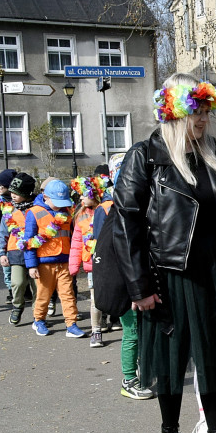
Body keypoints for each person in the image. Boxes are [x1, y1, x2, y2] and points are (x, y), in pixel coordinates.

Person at [112, 73, 216, 433]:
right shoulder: (146, 157)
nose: (203, 118)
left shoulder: (215, 155)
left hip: (213, 275)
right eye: (195, 110)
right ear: (172, 112)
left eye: (206, 109)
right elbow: (125, 226)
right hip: (168, 279)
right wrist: (139, 287)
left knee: (209, 365)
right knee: (170, 369)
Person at [95, 154, 154, 400]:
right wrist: (133, 290)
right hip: (127, 288)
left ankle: (140, 370)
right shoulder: (120, 215)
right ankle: (129, 378)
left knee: (140, 332)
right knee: (132, 333)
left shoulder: (123, 211)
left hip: (133, 285)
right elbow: (117, 257)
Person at [23, 179, 85, 338]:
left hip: (64, 260)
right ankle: (39, 320)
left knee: (68, 294)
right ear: (45, 197)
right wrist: (31, 265)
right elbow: (28, 242)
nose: (59, 205)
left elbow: (73, 237)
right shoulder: (34, 212)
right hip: (44, 263)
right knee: (43, 294)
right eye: (56, 202)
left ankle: (71, 324)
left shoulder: (68, 212)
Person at [0, 172, 38, 325]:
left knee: (37, 285)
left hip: (35, 252)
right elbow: (2, 233)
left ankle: (37, 312)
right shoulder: (9, 211)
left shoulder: (36, 209)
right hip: (15, 252)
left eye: (17, 193)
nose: (13, 195)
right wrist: (2, 253)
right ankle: (17, 306)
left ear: (26, 194)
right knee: (18, 282)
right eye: (12, 192)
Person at [68, 176, 104, 347]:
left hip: (108, 263)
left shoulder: (106, 211)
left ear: (94, 194)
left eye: (83, 194)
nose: (80, 198)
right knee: (95, 299)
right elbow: (76, 242)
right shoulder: (80, 216)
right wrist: (73, 265)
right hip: (91, 265)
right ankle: (96, 331)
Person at [0, 169, 16, 300]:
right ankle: (10, 289)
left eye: (1, 185)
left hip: (16, 236)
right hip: (2, 236)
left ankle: (23, 289)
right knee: (6, 265)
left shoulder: (17, 200)